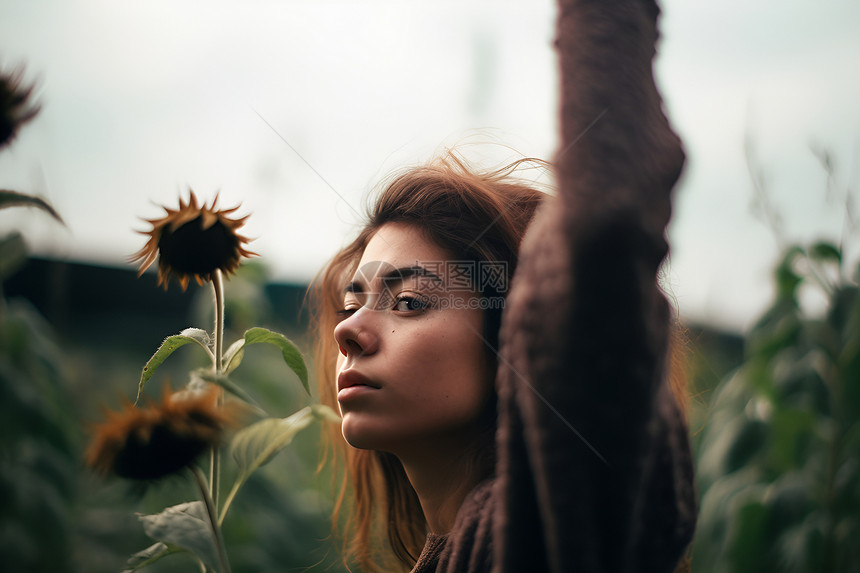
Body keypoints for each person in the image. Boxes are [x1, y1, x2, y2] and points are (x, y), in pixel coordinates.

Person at [310, 0, 697, 571]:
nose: (348, 331)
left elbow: (606, 222)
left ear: (522, 339)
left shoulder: (550, 528)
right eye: (353, 301)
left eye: (409, 302)